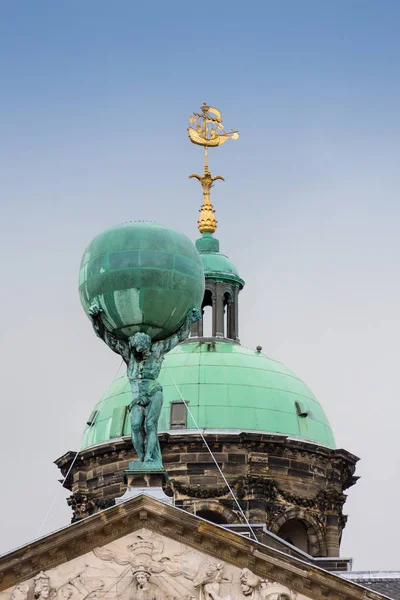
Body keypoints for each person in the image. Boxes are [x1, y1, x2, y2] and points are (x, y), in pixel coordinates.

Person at [89, 304, 201, 466]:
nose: (139, 353)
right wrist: (96, 319)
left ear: (146, 346)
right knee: (135, 426)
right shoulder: (129, 356)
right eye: (136, 349)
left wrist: (189, 322)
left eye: (141, 349)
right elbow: (107, 338)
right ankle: (141, 458)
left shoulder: (158, 351)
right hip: (137, 397)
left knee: (150, 425)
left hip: (154, 392)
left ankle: (149, 458)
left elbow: (179, 336)